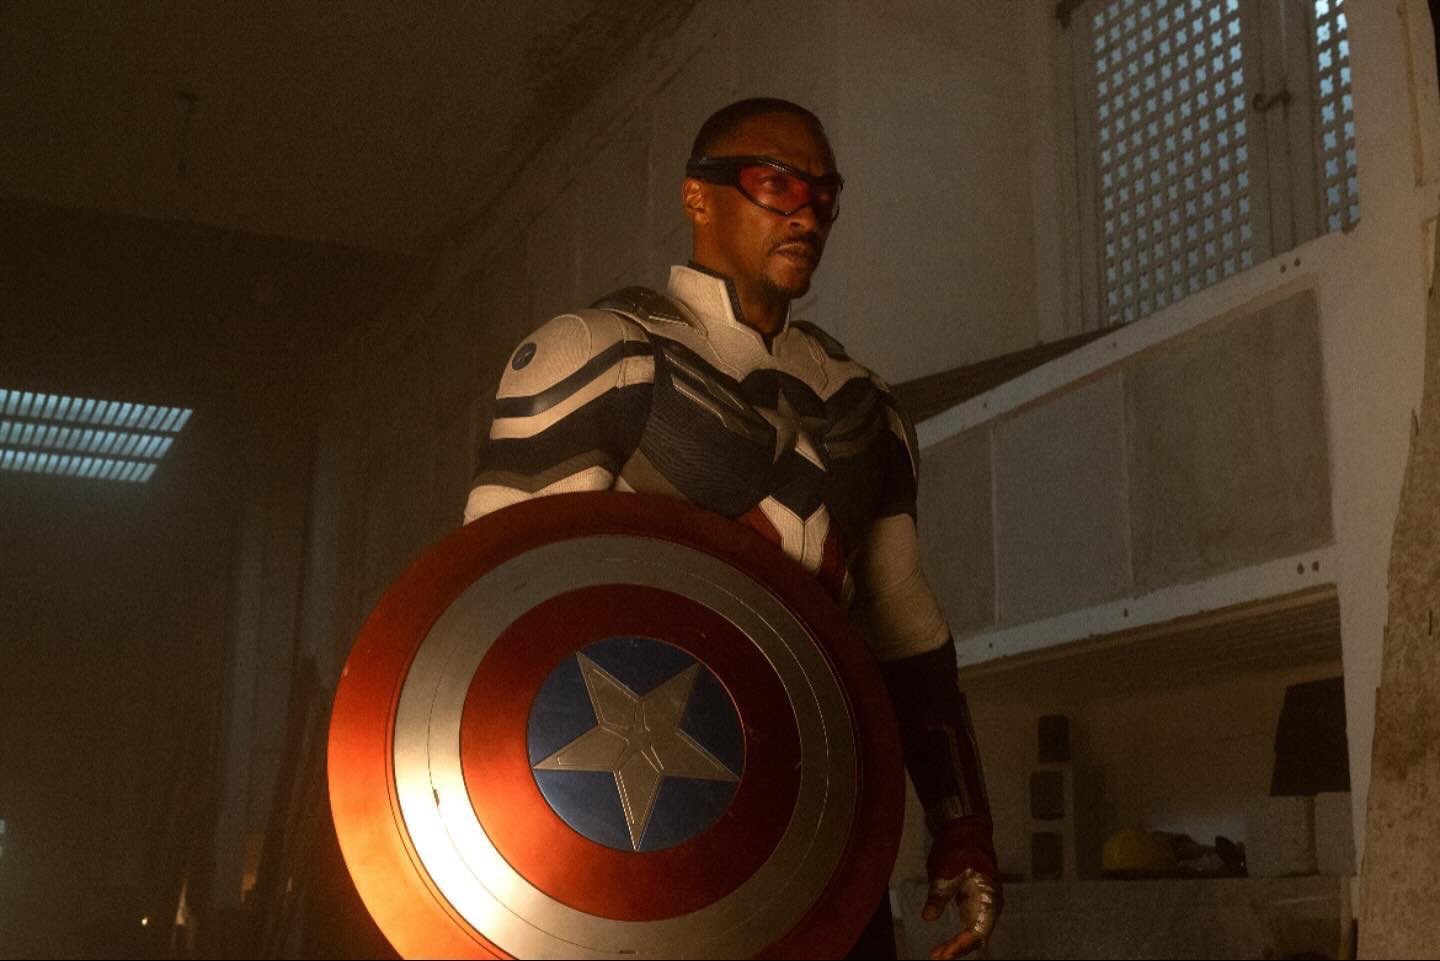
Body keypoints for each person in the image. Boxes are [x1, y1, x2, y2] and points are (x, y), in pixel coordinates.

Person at [464, 97, 1000, 960]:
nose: (806, 214)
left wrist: (962, 828)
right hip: (636, 842)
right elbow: (497, 623)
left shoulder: (864, 404)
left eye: (824, 196)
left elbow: (908, 637)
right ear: (697, 196)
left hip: (824, 839)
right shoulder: (596, 354)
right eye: (775, 184)